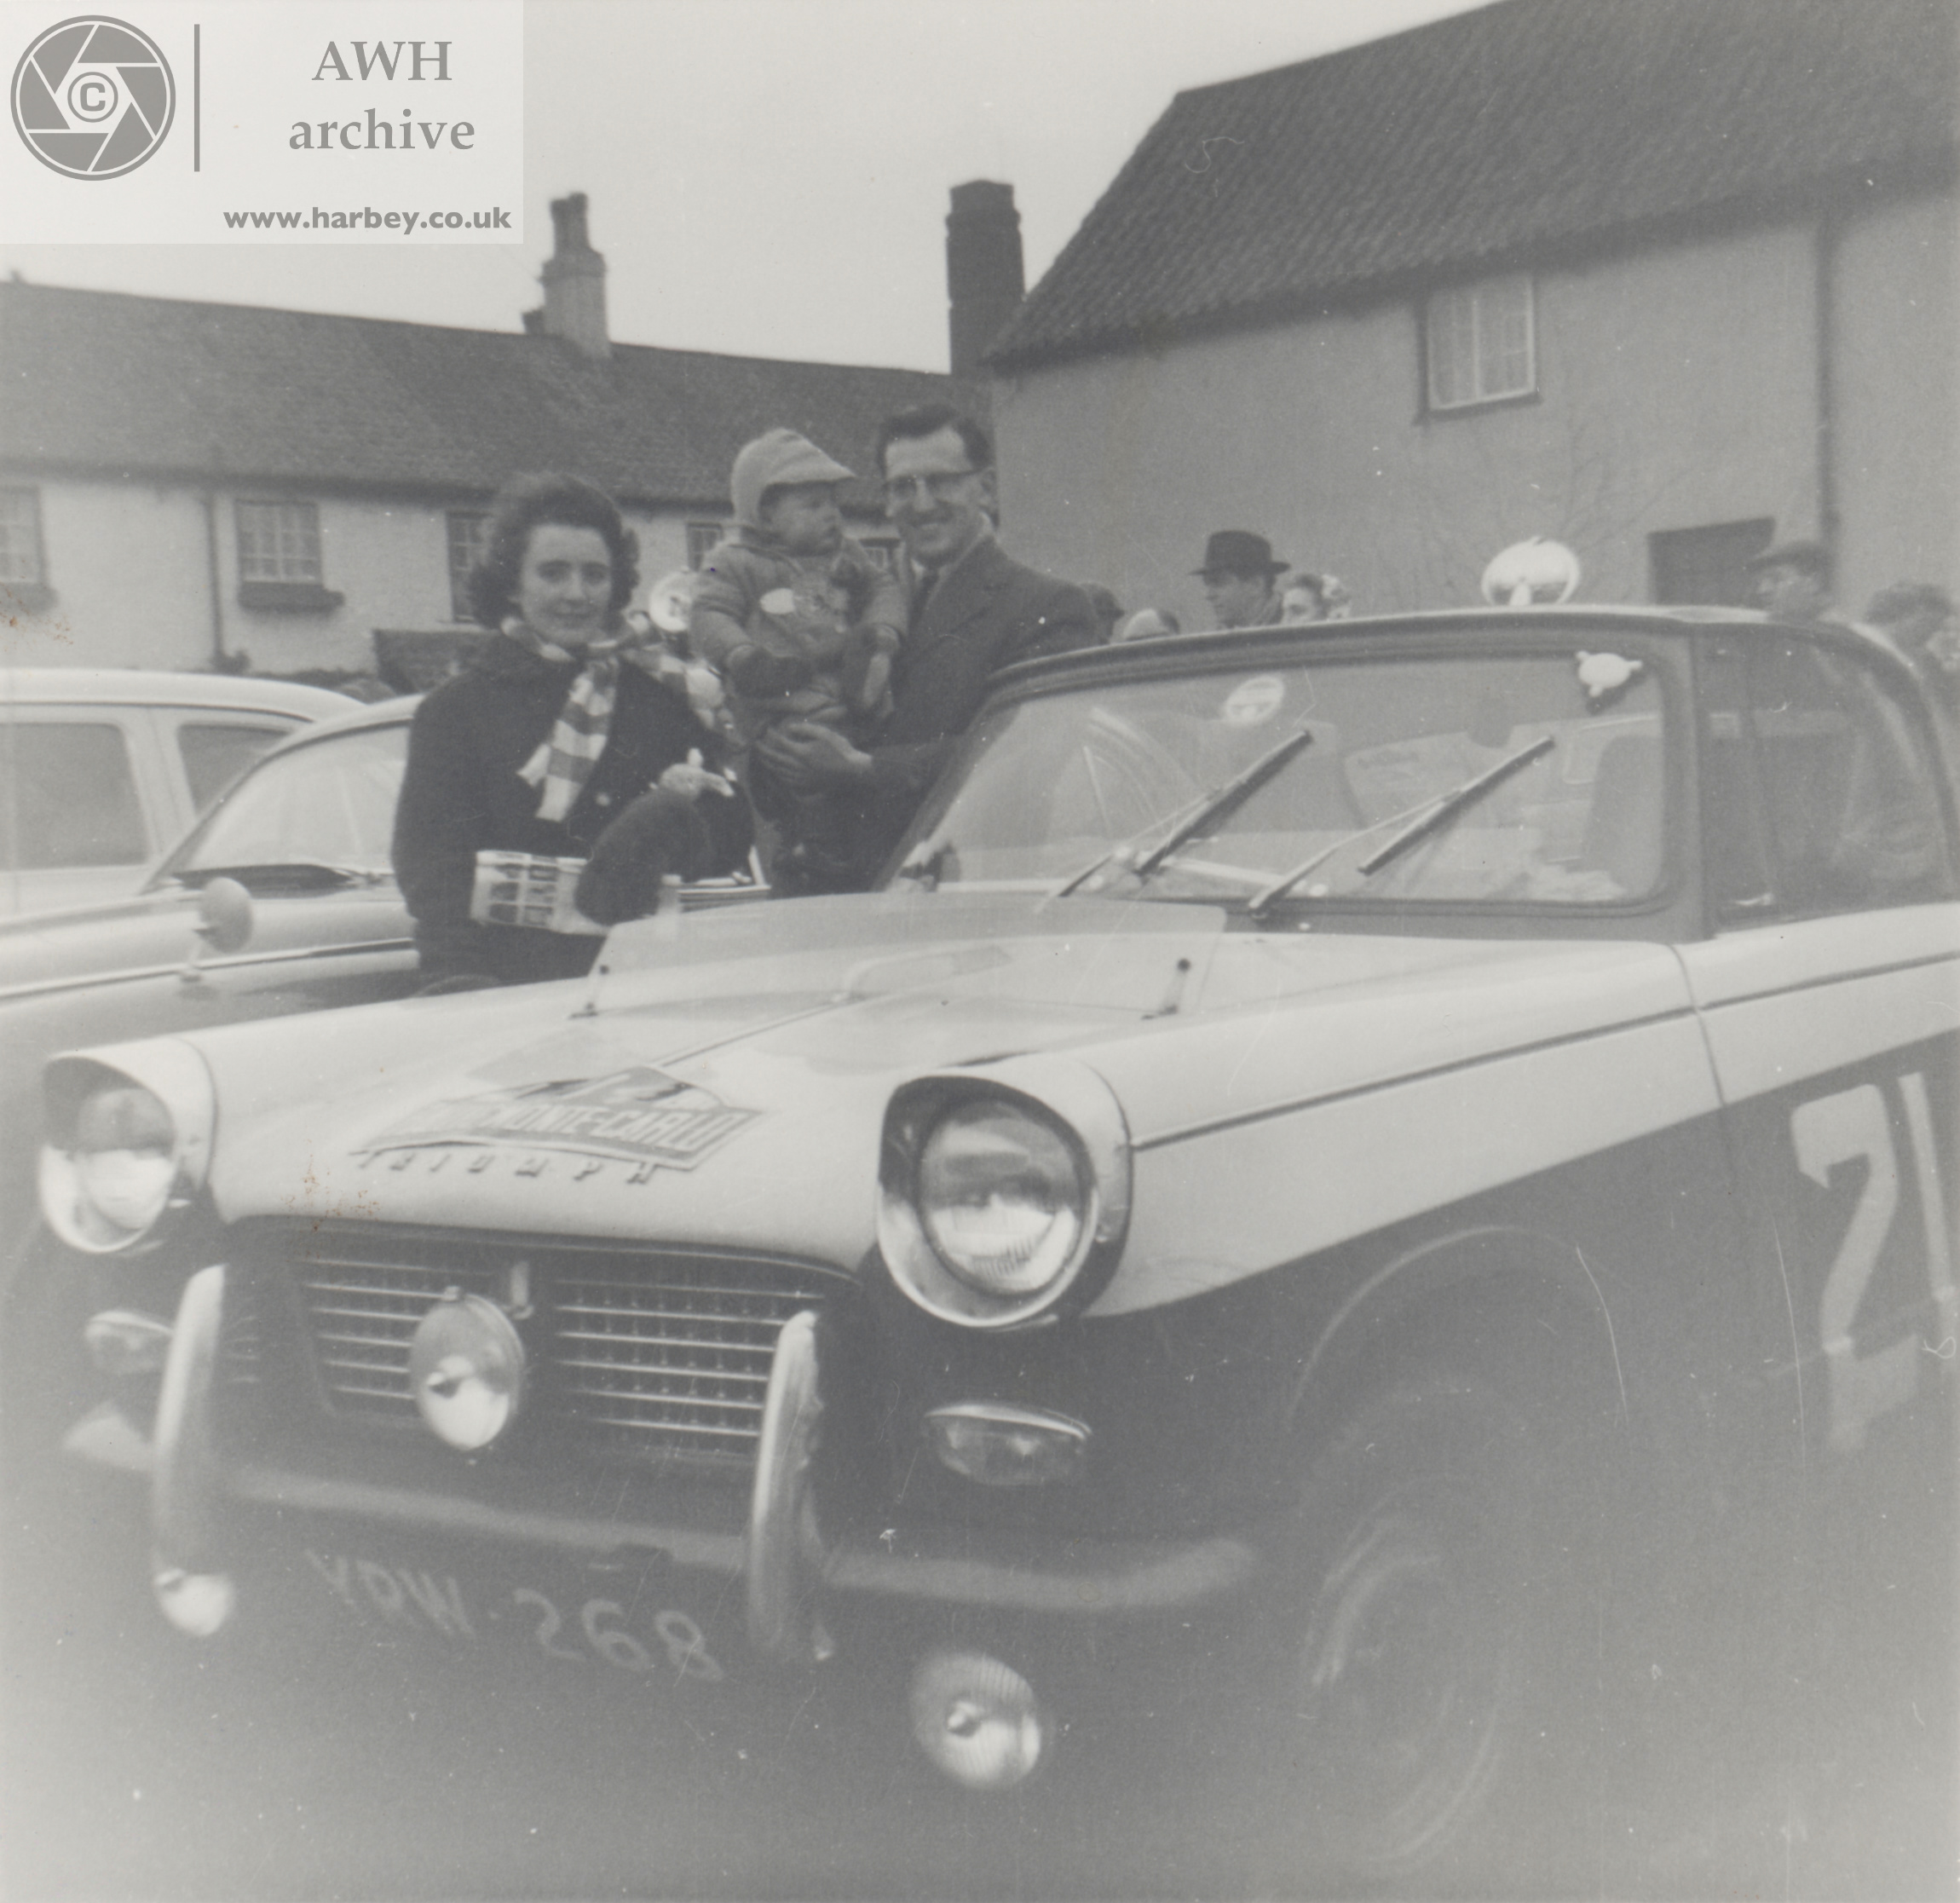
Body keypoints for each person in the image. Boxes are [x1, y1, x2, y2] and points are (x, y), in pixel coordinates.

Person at [392, 472, 751, 989]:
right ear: (513, 583)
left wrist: (676, 819)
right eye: (553, 574)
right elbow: (434, 874)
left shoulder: (661, 694)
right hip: (509, 987)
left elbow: (730, 843)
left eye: (595, 575)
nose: (577, 594)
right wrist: (461, 988)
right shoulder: (456, 711)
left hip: (648, 984)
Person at [755, 404, 1098, 880]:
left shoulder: (1049, 605)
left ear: (987, 487)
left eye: (941, 481)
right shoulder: (846, 598)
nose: (922, 504)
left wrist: (864, 767)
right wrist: (776, 746)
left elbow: (1030, 753)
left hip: (961, 892)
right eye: (902, 487)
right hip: (828, 895)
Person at [689, 429, 907, 890]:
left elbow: (885, 587)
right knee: (798, 762)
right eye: (813, 505)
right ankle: (813, 850)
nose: (832, 516)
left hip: (844, 692)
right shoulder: (728, 561)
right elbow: (707, 610)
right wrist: (742, 654)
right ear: (765, 514)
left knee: (869, 750)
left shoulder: (846, 556)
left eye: (834, 504)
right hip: (780, 694)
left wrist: (885, 631)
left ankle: (868, 670)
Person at [1195, 530, 1288, 630]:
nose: (1209, 595)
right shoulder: (1220, 636)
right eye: (1207, 583)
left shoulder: (1294, 624)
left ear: (1255, 585)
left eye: (1219, 583)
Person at [1749, 539, 1848, 628]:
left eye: (1776, 579)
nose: (1762, 591)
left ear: (1814, 582)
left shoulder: (1838, 640)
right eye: (1759, 583)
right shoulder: (1801, 634)